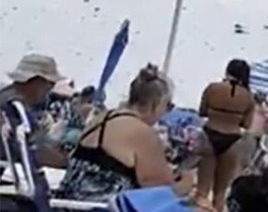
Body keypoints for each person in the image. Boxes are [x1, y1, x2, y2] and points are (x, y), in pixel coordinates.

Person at [59, 65, 182, 204]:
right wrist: (187, 181)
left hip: (66, 207)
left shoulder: (101, 118)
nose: (167, 112)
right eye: (168, 106)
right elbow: (161, 189)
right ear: (156, 103)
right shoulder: (142, 132)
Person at [197, 60, 255, 212]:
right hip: (232, 140)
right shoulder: (249, 97)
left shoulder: (212, 88)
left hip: (210, 133)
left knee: (202, 191)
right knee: (220, 193)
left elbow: (202, 112)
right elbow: (247, 124)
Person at [0, 54, 69, 169]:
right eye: (50, 82)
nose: (51, 87)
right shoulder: (13, 106)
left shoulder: (10, 98)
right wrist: (65, 161)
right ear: (35, 80)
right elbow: (20, 150)